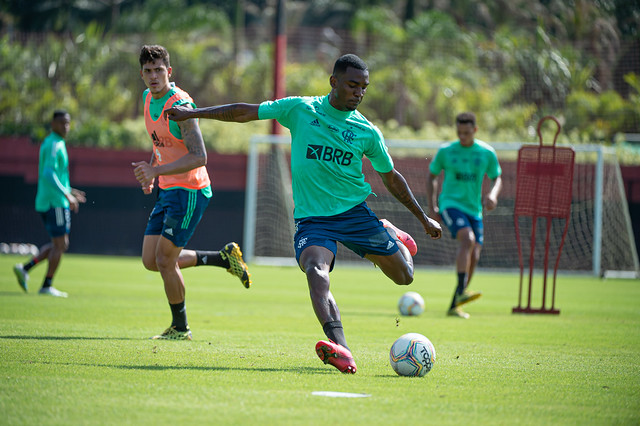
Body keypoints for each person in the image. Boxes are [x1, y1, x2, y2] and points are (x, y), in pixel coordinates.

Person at [164, 53, 442, 373]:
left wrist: (422, 218)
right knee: (314, 269)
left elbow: (391, 178)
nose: (359, 93)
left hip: (354, 214)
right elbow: (245, 111)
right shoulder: (300, 108)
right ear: (333, 82)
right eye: (353, 85)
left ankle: (388, 230)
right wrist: (192, 113)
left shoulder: (367, 132)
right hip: (313, 220)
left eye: (364, 88)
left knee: (404, 276)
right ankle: (342, 349)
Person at [133, 44, 252, 341]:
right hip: (167, 189)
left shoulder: (182, 105)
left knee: (164, 261)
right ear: (142, 74)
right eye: (147, 71)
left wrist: (155, 172)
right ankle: (223, 259)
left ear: (169, 72)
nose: (153, 76)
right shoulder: (148, 99)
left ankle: (180, 327)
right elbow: (159, 143)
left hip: (189, 191)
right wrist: (151, 172)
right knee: (151, 260)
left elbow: (200, 156)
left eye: (158, 70)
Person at [426, 112, 502, 319]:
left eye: (466, 133)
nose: (462, 137)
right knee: (467, 240)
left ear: (475, 130)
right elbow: (432, 176)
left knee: (475, 255)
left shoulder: (486, 153)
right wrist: (432, 207)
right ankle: (461, 291)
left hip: (474, 209)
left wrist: (493, 195)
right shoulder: (446, 151)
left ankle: (454, 304)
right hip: (450, 204)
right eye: (459, 133)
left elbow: (497, 178)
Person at [13, 110, 86, 297]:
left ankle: (26, 268)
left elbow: (56, 176)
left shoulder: (55, 143)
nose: (65, 126)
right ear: (53, 124)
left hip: (52, 200)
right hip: (55, 202)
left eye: (68, 123)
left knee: (58, 244)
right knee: (61, 245)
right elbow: (48, 173)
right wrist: (66, 196)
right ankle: (46, 285)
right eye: (61, 123)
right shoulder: (54, 144)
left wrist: (70, 191)